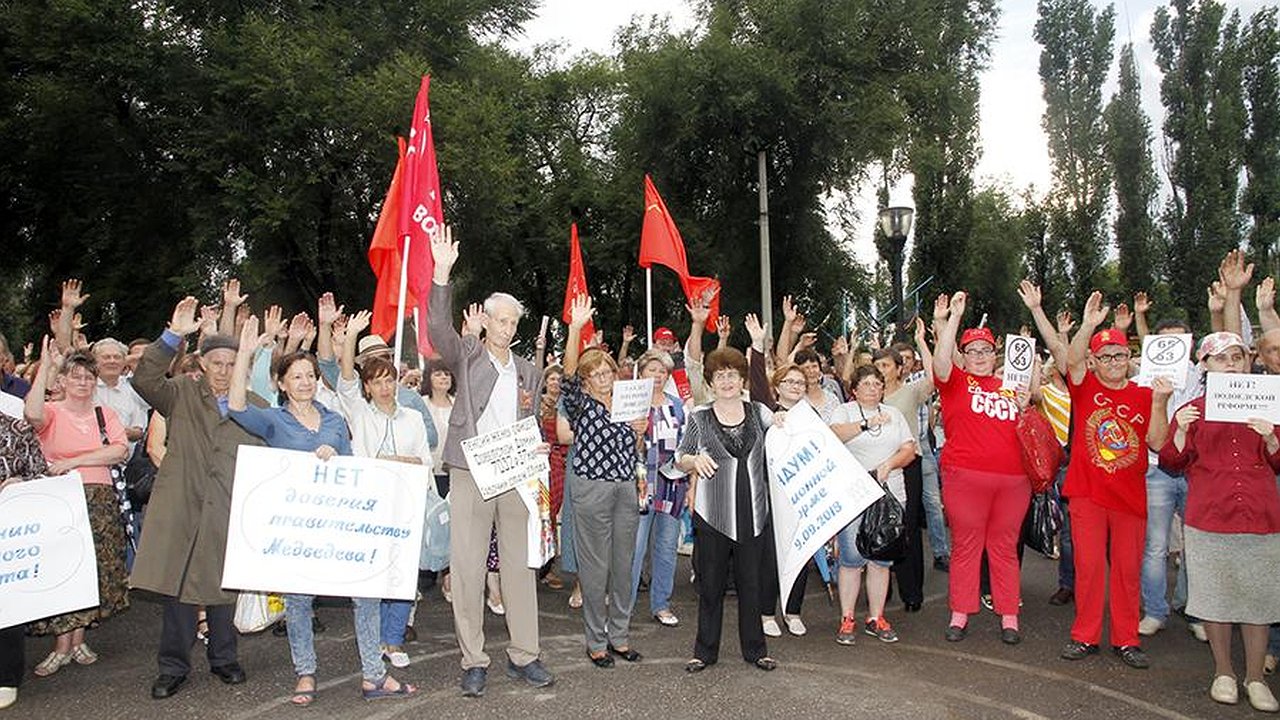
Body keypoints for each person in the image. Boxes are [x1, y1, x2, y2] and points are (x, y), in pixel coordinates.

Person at [227, 316, 415, 704]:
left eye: (310, 376)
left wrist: (336, 457)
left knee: (366, 596)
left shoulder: (334, 419)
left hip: (339, 527)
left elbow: (354, 471)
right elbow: (236, 407)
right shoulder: (274, 420)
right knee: (298, 601)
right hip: (297, 530)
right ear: (281, 383)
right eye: (296, 377)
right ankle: (305, 673)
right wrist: (244, 354)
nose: (305, 382)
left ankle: (374, 676)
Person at [428, 226, 553, 697]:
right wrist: (442, 273)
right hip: (470, 470)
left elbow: (531, 422)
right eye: (500, 321)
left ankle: (525, 654)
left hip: (516, 473)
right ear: (486, 321)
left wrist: (537, 447)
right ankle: (474, 659)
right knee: (468, 566)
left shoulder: (528, 372)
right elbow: (438, 332)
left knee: (520, 566)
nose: (507, 329)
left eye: (513, 323)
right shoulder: (468, 355)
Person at [131, 297, 260, 699]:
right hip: (183, 507)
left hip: (227, 509)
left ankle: (225, 659)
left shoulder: (254, 407)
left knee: (224, 588)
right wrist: (173, 336)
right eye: (216, 362)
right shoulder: (180, 394)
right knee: (179, 590)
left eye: (231, 364)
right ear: (203, 363)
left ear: (242, 367)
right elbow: (144, 379)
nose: (223, 370)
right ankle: (173, 667)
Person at [1158, 332, 1280, 711]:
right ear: (1205, 365)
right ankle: (1223, 671)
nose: (1231, 364)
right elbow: (1171, 462)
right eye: (1221, 358)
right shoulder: (1193, 410)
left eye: (1237, 357)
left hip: (1260, 517)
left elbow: (1278, 463)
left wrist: (1272, 440)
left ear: (1248, 362)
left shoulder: (1268, 405)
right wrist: (1180, 429)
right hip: (1209, 518)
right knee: (1216, 599)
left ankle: (1255, 677)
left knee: (1258, 601)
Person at [1051, 292, 1163, 670]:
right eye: (1105, 357)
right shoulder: (1085, 388)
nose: (1113, 362)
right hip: (1088, 493)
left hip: (1130, 496)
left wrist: (1161, 402)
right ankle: (1085, 635)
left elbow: (1157, 442)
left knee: (1127, 570)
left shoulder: (1145, 394)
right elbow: (1071, 360)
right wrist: (1087, 324)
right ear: (1094, 362)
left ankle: (1126, 638)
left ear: (1129, 358)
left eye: (1119, 355)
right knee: (1089, 568)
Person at [23, 340, 130, 676]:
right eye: (76, 376)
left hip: (99, 498)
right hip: (60, 500)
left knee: (92, 569)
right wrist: (45, 366)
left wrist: (73, 462)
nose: (82, 382)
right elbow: (31, 414)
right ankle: (62, 645)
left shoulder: (104, 414)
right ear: (63, 380)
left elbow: (119, 450)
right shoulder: (52, 411)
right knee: (63, 568)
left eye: (88, 377)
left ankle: (78, 640)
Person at [335, 310, 433, 670]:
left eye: (389, 380)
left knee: (403, 575)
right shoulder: (360, 414)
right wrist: (350, 337)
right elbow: (345, 381)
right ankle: (372, 639)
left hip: (406, 505)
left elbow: (424, 462)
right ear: (367, 387)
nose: (384, 388)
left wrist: (393, 461)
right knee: (374, 576)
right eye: (376, 382)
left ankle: (393, 640)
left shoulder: (413, 418)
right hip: (372, 507)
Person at [931, 291, 1030, 644]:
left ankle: (1009, 616)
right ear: (964, 355)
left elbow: (1030, 425)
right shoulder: (955, 381)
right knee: (967, 546)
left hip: (1013, 480)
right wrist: (953, 318)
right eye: (971, 351)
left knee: (1004, 547)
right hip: (964, 477)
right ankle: (960, 613)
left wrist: (1026, 405)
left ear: (995, 353)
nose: (979, 356)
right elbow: (941, 360)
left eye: (985, 350)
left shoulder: (1011, 386)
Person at [676, 346, 779, 673]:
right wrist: (694, 460)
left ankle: (756, 650)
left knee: (752, 585)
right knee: (711, 587)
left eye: (732, 375)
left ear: (742, 379)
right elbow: (680, 457)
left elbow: (787, 432)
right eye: (719, 376)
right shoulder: (699, 417)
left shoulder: (759, 412)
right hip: (713, 515)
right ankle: (704, 652)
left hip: (753, 514)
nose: (726, 381)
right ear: (710, 382)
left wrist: (785, 420)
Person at [562, 296, 648, 668]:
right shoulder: (581, 403)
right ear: (586, 379)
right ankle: (596, 641)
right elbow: (566, 377)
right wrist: (575, 329)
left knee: (624, 567)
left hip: (625, 487)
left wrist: (639, 433)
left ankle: (620, 637)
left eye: (607, 372)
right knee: (595, 570)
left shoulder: (629, 401)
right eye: (596, 374)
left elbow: (636, 448)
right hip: (592, 488)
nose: (603, 378)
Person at [829, 365, 918, 644]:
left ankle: (876, 617)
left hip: (890, 494)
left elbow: (909, 450)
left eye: (877, 384)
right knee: (851, 559)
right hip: (853, 495)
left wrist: (889, 464)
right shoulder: (844, 411)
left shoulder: (894, 414)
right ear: (854, 389)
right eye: (866, 383)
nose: (872, 388)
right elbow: (834, 435)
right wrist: (867, 423)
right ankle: (847, 618)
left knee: (881, 559)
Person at [745, 312, 811, 636]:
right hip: (771, 495)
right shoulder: (767, 412)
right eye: (790, 382)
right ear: (778, 386)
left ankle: (793, 610)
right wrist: (758, 347)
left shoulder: (812, 417)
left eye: (801, 383)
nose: (796, 387)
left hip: (803, 495)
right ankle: (765, 612)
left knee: (801, 553)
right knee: (770, 555)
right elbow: (757, 385)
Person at [875, 320, 936, 614]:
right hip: (877, 466)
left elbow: (936, 377)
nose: (881, 370)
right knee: (879, 523)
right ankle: (881, 589)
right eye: (877, 366)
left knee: (907, 526)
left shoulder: (911, 392)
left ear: (900, 369)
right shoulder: (868, 395)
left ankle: (912, 592)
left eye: (886, 365)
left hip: (908, 464)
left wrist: (922, 341)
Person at [629, 347, 689, 629]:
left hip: (672, 486)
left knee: (666, 548)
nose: (657, 375)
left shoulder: (678, 406)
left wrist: (690, 485)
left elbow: (687, 446)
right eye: (651, 370)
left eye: (662, 371)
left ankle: (661, 604)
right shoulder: (631, 404)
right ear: (641, 373)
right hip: (640, 486)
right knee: (634, 549)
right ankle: (623, 608)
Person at [0, 410, 51, 709]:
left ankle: (5, 677)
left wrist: (20, 485)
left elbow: (42, 475)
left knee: (6, 606)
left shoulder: (17, 429)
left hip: (9, 532)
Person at [538, 364, 569, 590]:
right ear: (545, 382)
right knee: (543, 513)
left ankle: (550, 565)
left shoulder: (567, 405)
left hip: (563, 462)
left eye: (559, 379)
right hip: (543, 462)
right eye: (551, 379)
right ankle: (541, 565)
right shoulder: (537, 405)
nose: (555, 382)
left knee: (556, 513)